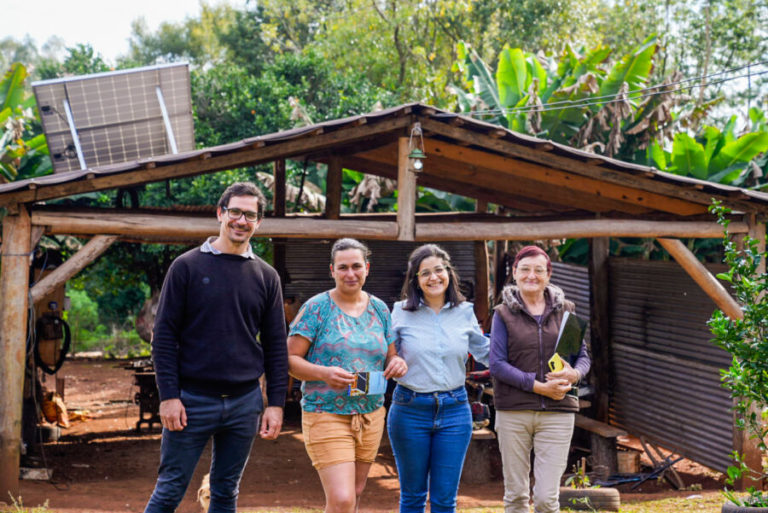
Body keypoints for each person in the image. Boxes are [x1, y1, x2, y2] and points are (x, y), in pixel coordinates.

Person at [145, 182, 288, 513]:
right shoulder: (187, 267)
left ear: (259, 223)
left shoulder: (266, 277)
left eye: (250, 215)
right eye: (235, 212)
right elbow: (164, 336)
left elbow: (276, 346)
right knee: (169, 491)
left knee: (225, 491)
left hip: (245, 402)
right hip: (192, 400)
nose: (241, 220)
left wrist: (275, 404)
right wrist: (168, 396)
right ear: (220, 213)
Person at [287, 238, 408, 513]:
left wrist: (397, 362)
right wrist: (323, 373)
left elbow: (390, 354)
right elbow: (290, 360)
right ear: (332, 270)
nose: (350, 274)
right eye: (343, 267)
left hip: (370, 413)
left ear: (367, 268)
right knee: (342, 499)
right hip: (326, 412)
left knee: (354, 493)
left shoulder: (380, 309)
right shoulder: (317, 308)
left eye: (356, 266)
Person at [387, 244, 490, 513]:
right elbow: (383, 354)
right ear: (416, 281)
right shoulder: (399, 312)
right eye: (425, 273)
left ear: (449, 274)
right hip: (409, 409)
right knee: (412, 497)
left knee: (445, 500)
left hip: (455, 410)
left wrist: (530, 358)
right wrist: (392, 360)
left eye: (439, 270)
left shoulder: (465, 312)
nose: (434, 277)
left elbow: (488, 353)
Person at [489, 245, 590, 513]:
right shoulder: (502, 313)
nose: (531, 275)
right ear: (514, 273)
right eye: (525, 269)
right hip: (514, 411)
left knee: (547, 499)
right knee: (517, 497)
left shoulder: (566, 309)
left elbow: (582, 357)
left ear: (548, 274)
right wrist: (539, 387)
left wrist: (574, 374)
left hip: (558, 411)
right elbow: (497, 364)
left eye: (538, 270)